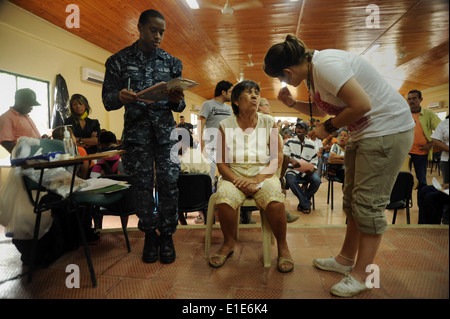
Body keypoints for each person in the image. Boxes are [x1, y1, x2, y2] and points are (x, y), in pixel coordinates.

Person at [263, 34, 414, 297]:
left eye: (281, 77)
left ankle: (364, 275)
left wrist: (328, 128)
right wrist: (291, 104)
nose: (282, 82)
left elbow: (362, 104)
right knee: (353, 200)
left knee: (368, 204)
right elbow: (323, 110)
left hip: (387, 131)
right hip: (364, 134)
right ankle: (346, 259)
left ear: (286, 72)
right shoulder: (312, 73)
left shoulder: (326, 65)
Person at [102, 9, 186, 264]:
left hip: (166, 136)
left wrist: (177, 100)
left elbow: (180, 107)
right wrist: (119, 96)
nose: (158, 36)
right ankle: (150, 233)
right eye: (153, 30)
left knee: (169, 185)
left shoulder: (172, 63)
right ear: (139, 27)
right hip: (137, 136)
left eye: (162, 32)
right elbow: (107, 101)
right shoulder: (118, 61)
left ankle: (167, 235)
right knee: (141, 188)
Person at [209, 80, 294, 273]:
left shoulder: (269, 122)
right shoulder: (225, 124)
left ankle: (283, 247)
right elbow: (221, 163)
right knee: (224, 197)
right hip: (234, 175)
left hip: (263, 175)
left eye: (257, 92)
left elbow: (277, 158)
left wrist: (257, 179)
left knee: (274, 197)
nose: (255, 96)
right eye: (249, 93)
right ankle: (229, 243)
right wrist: (236, 180)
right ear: (237, 101)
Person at [198, 80, 234, 181]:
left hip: (226, 147)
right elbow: (200, 126)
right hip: (211, 147)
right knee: (210, 178)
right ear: (223, 92)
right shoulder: (207, 104)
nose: (232, 94)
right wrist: (202, 147)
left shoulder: (229, 108)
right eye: (231, 92)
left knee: (228, 177)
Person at [283, 121, 321, 214]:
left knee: (317, 181)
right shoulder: (289, 142)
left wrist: (312, 168)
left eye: (301, 128)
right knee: (291, 181)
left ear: (306, 130)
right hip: (292, 170)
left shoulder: (311, 144)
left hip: (306, 171)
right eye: (298, 128)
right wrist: (292, 160)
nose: (299, 130)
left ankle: (303, 202)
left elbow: (314, 159)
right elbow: (284, 155)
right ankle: (305, 203)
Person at [407, 89, 441, 190]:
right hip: (405, 153)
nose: (411, 101)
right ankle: (405, 202)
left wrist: (431, 144)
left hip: (421, 154)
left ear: (421, 99)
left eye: (414, 98)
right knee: (403, 178)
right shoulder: (404, 114)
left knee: (421, 180)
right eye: (409, 99)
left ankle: (422, 204)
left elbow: (441, 129)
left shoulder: (428, 114)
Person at [0, 88, 41, 153]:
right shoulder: (6, 118)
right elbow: (6, 143)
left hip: (37, 157)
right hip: (25, 161)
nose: (32, 108)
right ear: (19, 102)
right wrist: (24, 156)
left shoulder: (27, 117)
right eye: (29, 104)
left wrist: (41, 139)